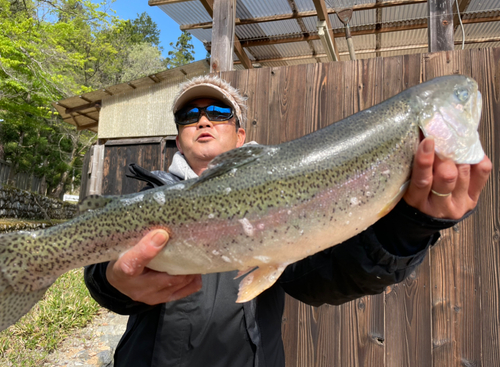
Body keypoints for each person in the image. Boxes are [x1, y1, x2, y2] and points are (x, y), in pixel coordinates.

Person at [84, 75, 492, 367]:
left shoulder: (287, 189)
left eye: (218, 111)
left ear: (241, 136)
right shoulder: (148, 198)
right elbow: (99, 271)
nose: (203, 120)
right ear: (178, 139)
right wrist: (111, 281)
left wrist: (408, 230)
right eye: (190, 115)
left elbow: (326, 279)